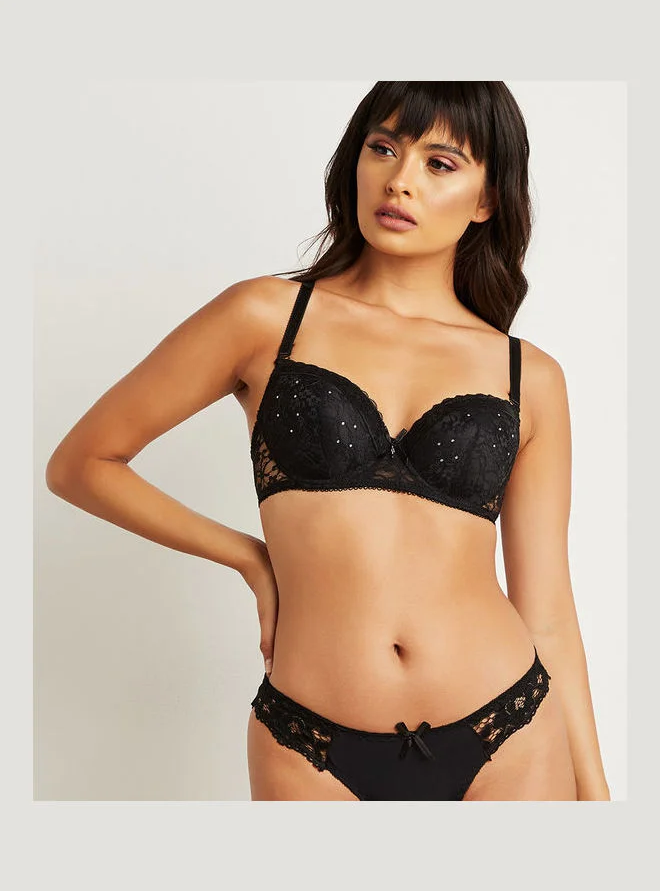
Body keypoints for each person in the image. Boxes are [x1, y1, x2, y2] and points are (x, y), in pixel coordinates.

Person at [45, 81, 610, 801]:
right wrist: (249, 557)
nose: (400, 180)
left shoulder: (528, 375)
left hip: (509, 733)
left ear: (486, 200)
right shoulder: (263, 316)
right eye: (384, 148)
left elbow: (549, 613)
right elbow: (82, 464)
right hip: (308, 743)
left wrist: (598, 802)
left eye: (439, 164)